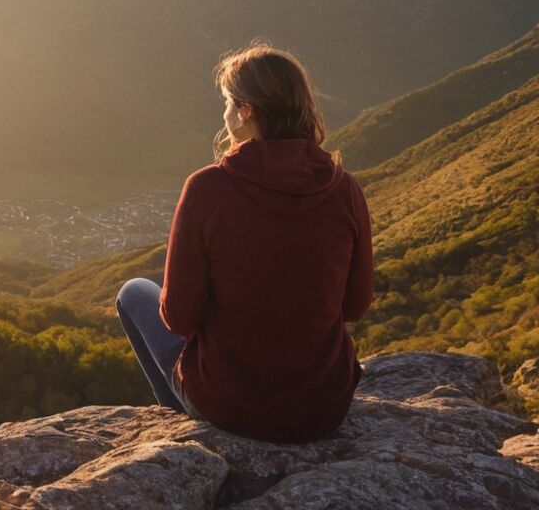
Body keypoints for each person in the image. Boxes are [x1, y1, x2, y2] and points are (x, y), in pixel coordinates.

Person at [116, 40, 373, 443]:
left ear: (246, 110)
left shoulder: (207, 188)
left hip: (230, 406)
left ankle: (186, 420)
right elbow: (355, 306)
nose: (224, 113)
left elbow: (179, 318)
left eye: (227, 102)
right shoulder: (344, 189)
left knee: (134, 292)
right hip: (324, 408)